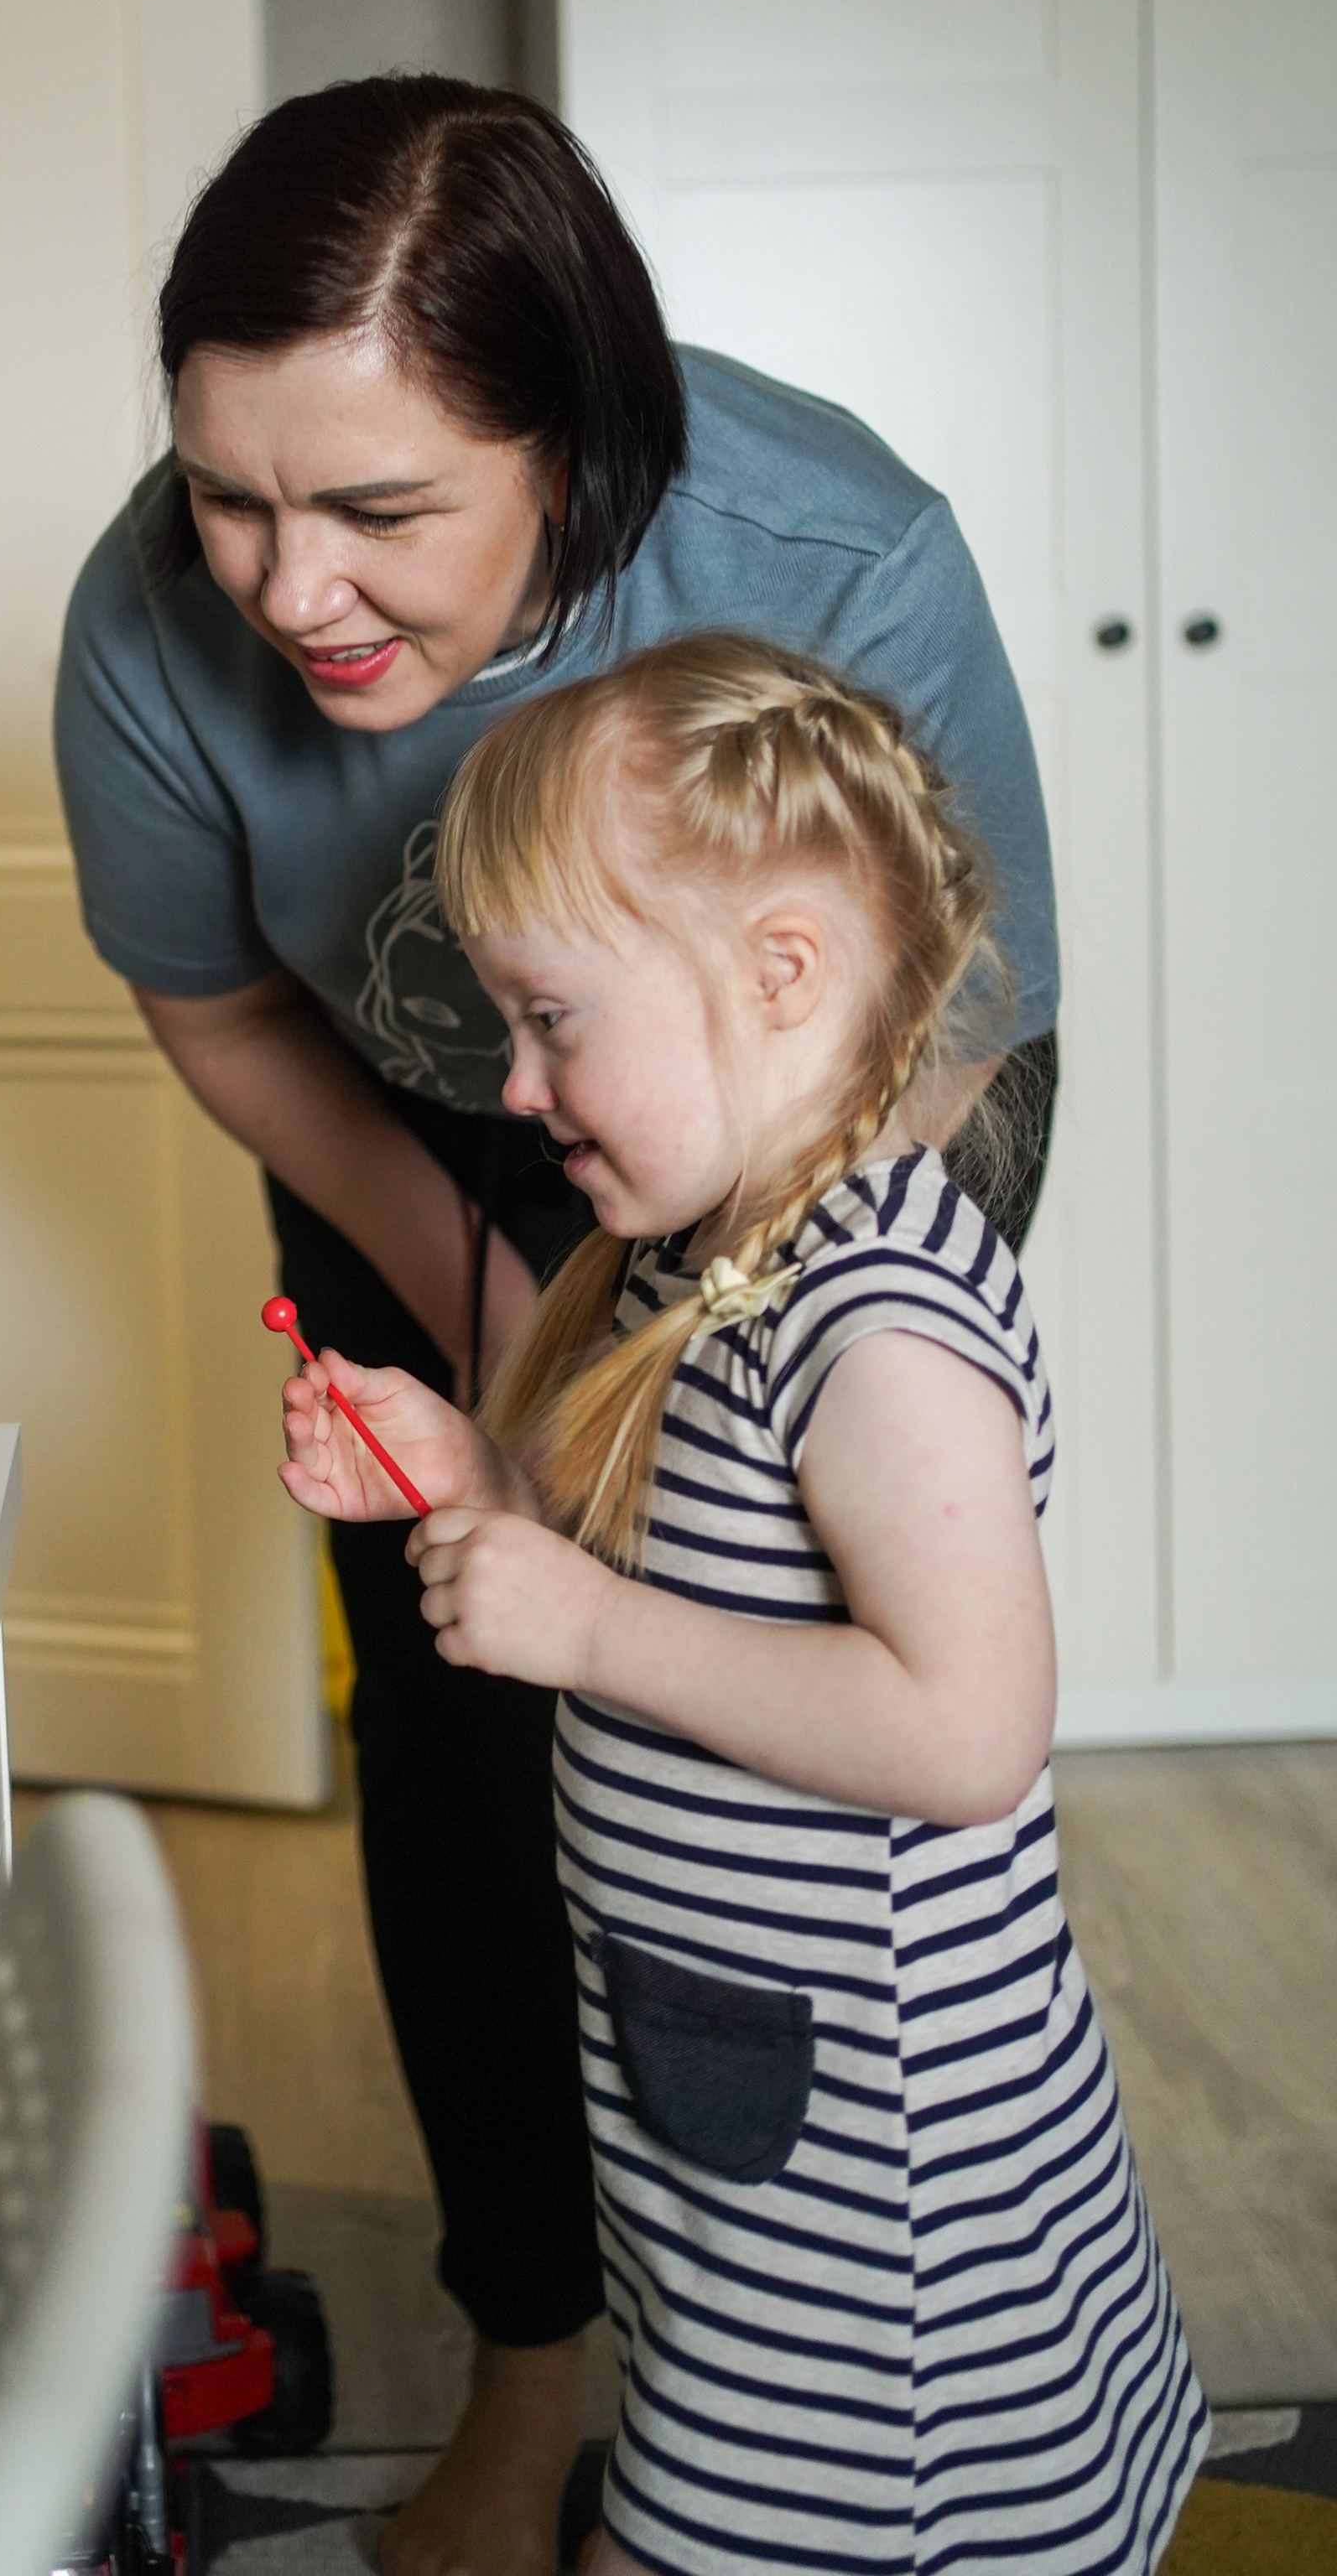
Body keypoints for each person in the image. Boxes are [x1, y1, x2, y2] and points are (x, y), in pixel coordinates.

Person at [54, 76, 1061, 2576]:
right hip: (421, 1148)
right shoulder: (143, 628)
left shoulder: (842, 555)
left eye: (382, 513)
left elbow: (949, 1038)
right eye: (230, 495)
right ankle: (539, 2365)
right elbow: (218, 1004)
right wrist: (497, 1336)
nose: (288, 591)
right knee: (470, 1742)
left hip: (795, 1159)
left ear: (578, 442)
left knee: (772, 1744)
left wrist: (706, 1374)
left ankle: (850, 2341)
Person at [278, 636, 1205, 2576]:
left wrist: (580, 1637)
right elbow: (664, 1547)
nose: (516, 1089)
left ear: (777, 975)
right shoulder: (711, 1257)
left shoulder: (879, 1329)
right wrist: (467, 1475)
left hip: (879, 2172)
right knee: (719, 2448)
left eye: (546, 1021)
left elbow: (962, 1733)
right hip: (737, 2059)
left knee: (804, 2517)